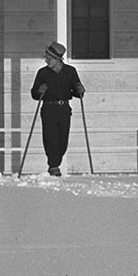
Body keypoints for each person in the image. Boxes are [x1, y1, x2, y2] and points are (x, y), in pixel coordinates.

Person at [30, 41, 85, 177]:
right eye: (46, 57)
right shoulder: (42, 73)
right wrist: (39, 91)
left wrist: (80, 91)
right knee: (50, 138)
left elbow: (76, 93)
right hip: (48, 108)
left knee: (63, 140)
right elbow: (34, 94)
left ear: (58, 59)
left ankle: (55, 162)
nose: (46, 60)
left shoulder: (70, 71)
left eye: (49, 58)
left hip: (64, 109)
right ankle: (53, 166)